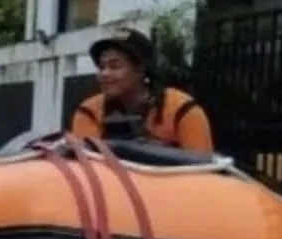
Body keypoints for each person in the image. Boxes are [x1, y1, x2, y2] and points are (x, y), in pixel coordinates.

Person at [69, 26, 214, 152]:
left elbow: (203, 169)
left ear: (140, 70)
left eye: (114, 66)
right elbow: (85, 167)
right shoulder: (89, 111)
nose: (104, 74)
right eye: (101, 67)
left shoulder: (181, 109)